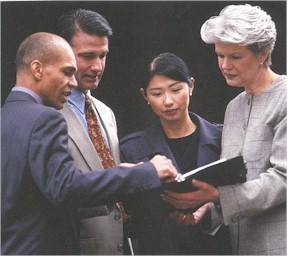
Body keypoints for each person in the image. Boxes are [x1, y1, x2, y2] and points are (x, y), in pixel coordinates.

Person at [1, 32, 178, 255]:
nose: (74, 82)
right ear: (37, 69)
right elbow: (65, 187)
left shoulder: (6, 115)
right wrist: (145, 172)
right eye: (67, 72)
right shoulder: (45, 117)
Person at [161, 4, 287, 255]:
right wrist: (207, 210)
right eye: (220, 55)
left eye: (235, 57)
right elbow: (236, 180)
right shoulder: (234, 107)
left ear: (263, 53)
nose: (224, 65)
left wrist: (218, 196)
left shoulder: (284, 98)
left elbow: (283, 180)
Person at [120, 53, 231, 255]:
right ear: (145, 96)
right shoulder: (131, 149)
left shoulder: (224, 137)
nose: (168, 101)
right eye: (157, 93)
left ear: (191, 86)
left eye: (176, 90)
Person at [56, 8, 128, 255]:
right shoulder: (44, 113)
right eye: (87, 56)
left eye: (103, 56)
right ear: (61, 53)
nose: (97, 66)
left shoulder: (105, 112)